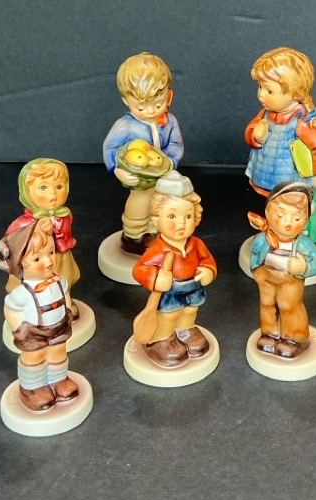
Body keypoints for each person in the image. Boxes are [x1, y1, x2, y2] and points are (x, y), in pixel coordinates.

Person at [0, 218, 78, 411]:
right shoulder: (23, 293)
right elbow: (10, 309)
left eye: (51, 252)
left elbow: (66, 295)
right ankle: (32, 388)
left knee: (58, 351)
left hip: (59, 325)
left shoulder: (59, 281)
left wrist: (67, 311)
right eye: (37, 259)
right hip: (34, 331)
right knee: (35, 357)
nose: (49, 261)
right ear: (20, 264)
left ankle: (59, 380)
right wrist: (20, 328)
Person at [244, 47, 316, 250]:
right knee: (274, 204)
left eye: (269, 90)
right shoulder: (265, 113)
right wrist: (255, 136)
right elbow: (251, 131)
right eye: (260, 87)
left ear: (294, 92)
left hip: (290, 178)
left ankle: (295, 236)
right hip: (266, 171)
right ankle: (275, 232)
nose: (261, 95)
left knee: (292, 207)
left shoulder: (302, 121)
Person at [132, 171, 216, 368]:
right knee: (169, 315)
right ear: (156, 220)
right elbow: (140, 269)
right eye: (172, 216)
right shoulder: (158, 249)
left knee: (190, 310)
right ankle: (162, 338)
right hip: (171, 289)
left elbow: (208, 260)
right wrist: (156, 279)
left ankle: (185, 330)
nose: (181, 223)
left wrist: (208, 270)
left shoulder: (196, 244)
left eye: (188, 216)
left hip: (193, 285)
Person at [103, 52, 184, 254]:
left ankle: (156, 230)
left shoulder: (170, 122)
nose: (151, 112)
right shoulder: (124, 126)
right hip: (139, 179)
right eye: (141, 107)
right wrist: (118, 170)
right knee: (140, 200)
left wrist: (170, 163)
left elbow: (175, 144)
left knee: (163, 201)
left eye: (158, 104)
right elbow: (110, 148)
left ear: (169, 96)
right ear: (126, 101)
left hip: (164, 176)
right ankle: (134, 235)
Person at [249, 181, 316, 358]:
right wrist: (256, 270)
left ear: (306, 220)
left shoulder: (302, 244)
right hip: (266, 278)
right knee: (267, 305)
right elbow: (255, 254)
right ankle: (270, 333)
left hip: (290, 281)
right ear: (267, 212)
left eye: (296, 219)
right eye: (280, 215)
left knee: (289, 306)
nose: (288, 224)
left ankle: (294, 338)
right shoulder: (263, 239)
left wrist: (303, 266)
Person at [4, 159, 81, 315]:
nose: (53, 194)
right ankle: (35, 309)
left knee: (64, 279)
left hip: (61, 256)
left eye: (59, 187)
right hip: (36, 261)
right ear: (27, 191)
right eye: (43, 188)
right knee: (38, 284)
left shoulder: (65, 215)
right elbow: (11, 244)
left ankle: (64, 303)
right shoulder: (23, 224)